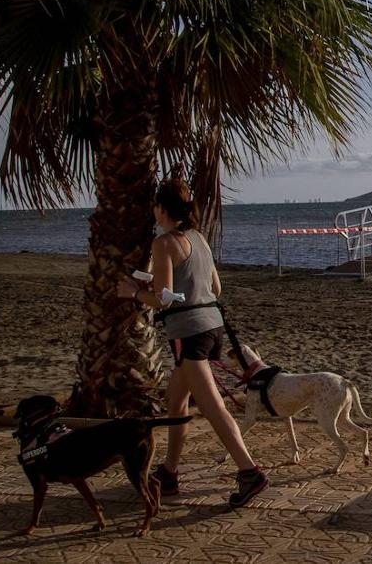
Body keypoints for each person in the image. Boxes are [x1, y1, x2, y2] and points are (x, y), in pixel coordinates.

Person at [116, 175, 268, 508]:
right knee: (176, 402)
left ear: (160, 209)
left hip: (188, 333)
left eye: (154, 208)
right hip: (213, 326)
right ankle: (169, 473)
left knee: (213, 406)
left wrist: (134, 292)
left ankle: (249, 471)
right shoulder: (199, 238)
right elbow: (216, 289)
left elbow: (164, 300)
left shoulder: (164, 243)